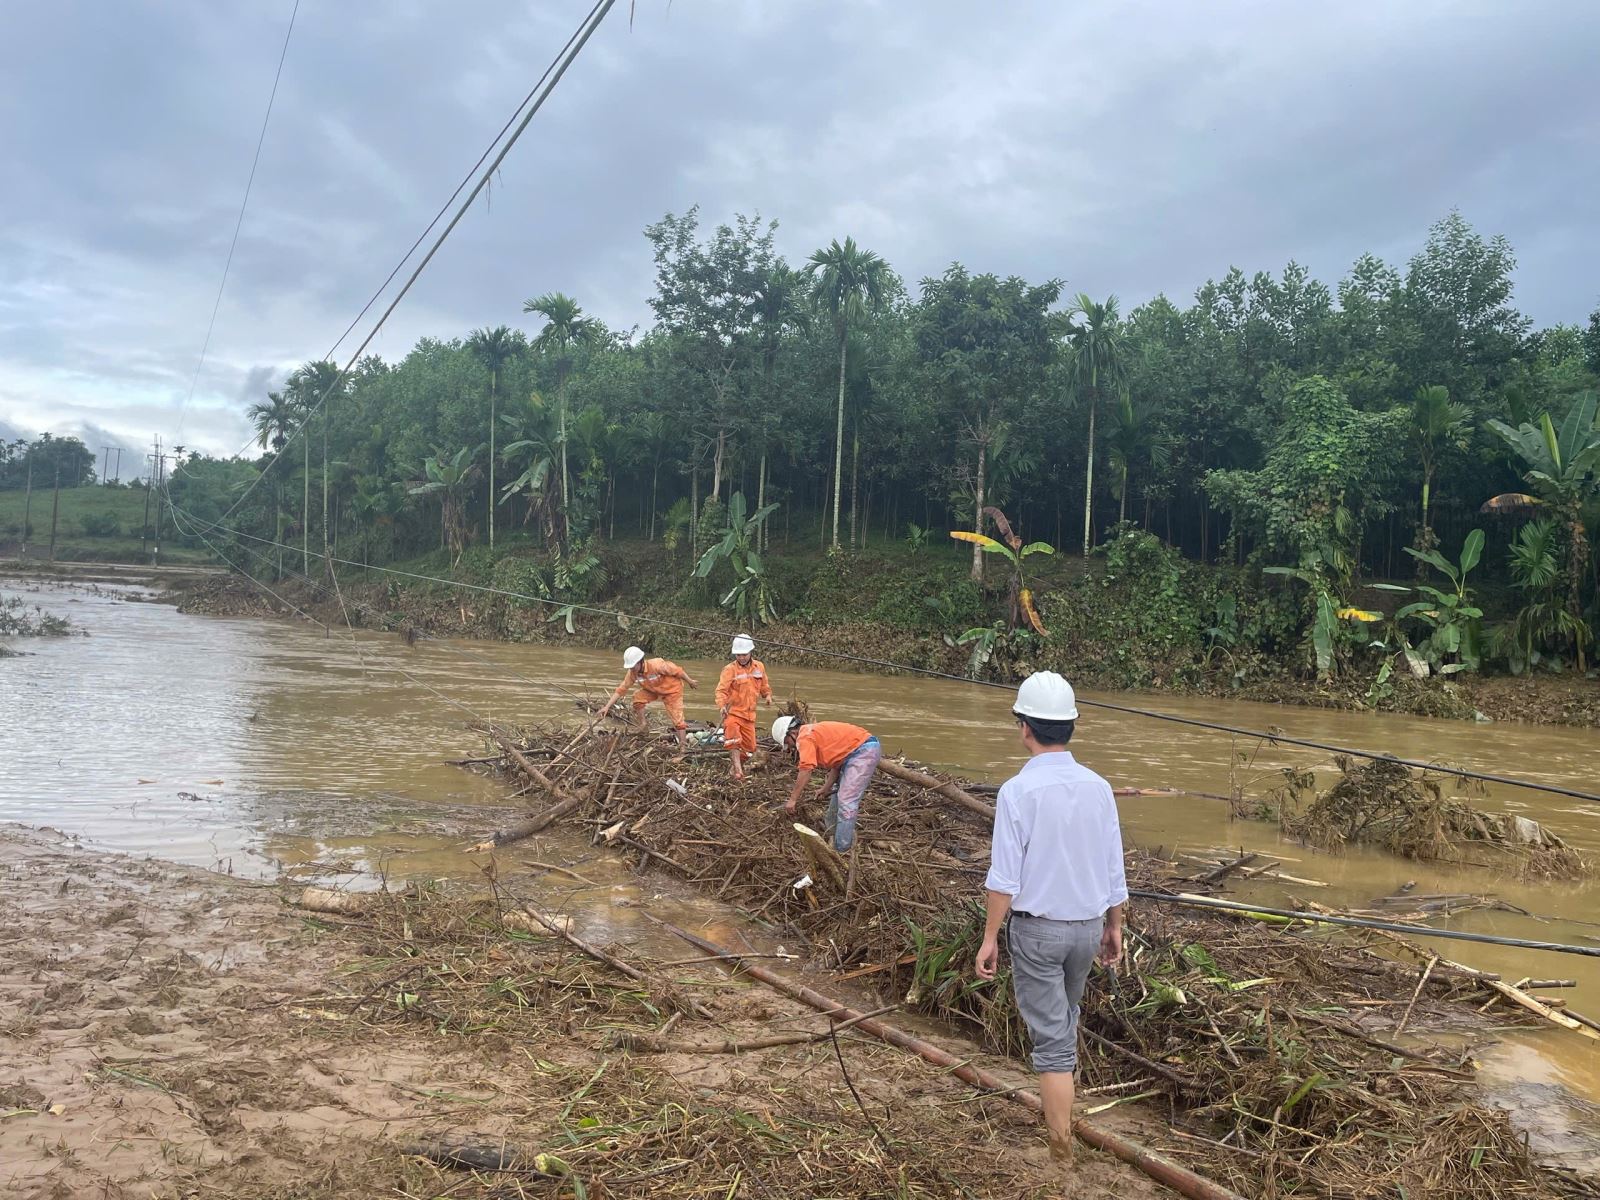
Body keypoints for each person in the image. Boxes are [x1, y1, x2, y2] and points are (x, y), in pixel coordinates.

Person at [974, 671, 1126, 1167]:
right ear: (1071, 727)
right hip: (1086, 929)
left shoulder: (1018, 791)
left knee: (1054, 1040)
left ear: (1025, 728)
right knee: (1066, 1019)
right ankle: (1063, 1120)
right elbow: (1112, 866)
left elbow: (1004, 878)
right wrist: (1114, 925)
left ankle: (1060, 1147)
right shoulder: (1099, 787)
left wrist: (990, 937)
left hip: (1037, 931)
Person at [771, 714, 881, 853]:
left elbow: (806, 769)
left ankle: (842, 850)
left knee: (847, 801)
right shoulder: (812, 734)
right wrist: (826, 788)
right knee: (837, 793)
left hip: (863, 751)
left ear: (792, 733)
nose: (790, 747)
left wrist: (793, 799)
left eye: (787, 743)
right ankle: (832, 834)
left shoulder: (804, 737)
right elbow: (836, 764)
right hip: (854, 753)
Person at [600, 646, 699, 753]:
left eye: (633, 666)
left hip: (672, 690)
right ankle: (643, 724)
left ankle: (683, 747)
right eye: (630, 667)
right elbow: (621, 689)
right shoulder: (632, 673)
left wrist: (690, 681)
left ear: (640, 662)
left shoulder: (657, 665)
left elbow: (678, 671)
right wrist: (607, 707)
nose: (632, 669)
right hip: (653, 690)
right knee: (637, 697)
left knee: (677, 718)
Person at [715, 635, 774, 780]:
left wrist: (767, 696)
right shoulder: (729, 670)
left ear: (750, 652)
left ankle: (733, 768)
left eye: (744, 654)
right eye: (738, 655)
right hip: (733, 713)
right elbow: (721, 690)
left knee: (750, 748)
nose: (741, 657)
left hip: (749, 715)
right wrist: (722, 706)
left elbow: (764, 685)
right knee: (733, 741)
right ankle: (738, 772)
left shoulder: (759, 667)